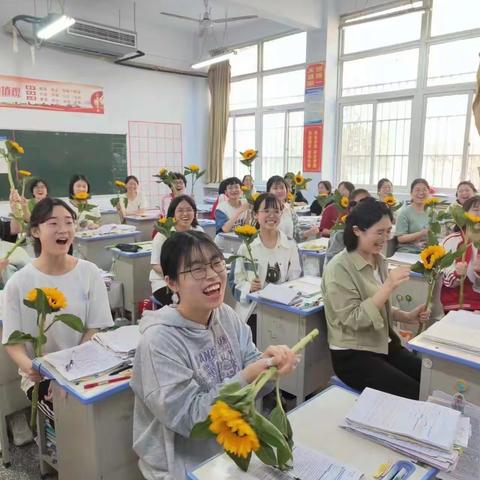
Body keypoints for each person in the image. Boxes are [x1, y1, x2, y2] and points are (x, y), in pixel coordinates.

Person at [131, 231, 298, 479]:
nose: (212, 274)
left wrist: (270, 366)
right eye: (196, 269)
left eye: (216, 262)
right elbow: (189, 420)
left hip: (231, 447)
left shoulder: (226, 315)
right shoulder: (158, 342)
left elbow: (251, 367)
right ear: (172, 282)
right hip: (182, 463)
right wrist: (249, 375)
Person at [2, 198, 113, 424]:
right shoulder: (19, 283)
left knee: (110, 411)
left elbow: (93, 329)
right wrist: (32, 369)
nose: (63, 229)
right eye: (53, 223)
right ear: (35, 231)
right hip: (41, 376)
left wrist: (68, 374)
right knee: (73, 419)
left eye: (69, 222)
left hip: (84, 366)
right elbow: (12, 343)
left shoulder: (90, 273)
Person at [321, 198, 429, 399]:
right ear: (357, 231)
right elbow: (353, 320)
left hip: (383, 343)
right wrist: (388, 286)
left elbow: (378, 305)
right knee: (414, 393)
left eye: (388, 231)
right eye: (379, 232)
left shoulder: (378, 259)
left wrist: (406, 316)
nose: (385, 238)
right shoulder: (339, 269)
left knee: (430, 381)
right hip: (353, 354)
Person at [233, 193, 302, 302]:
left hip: (282, 307)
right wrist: (249, 287)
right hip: (253, 309)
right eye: (266, 211)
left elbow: (295, 279)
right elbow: (236, 282)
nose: (271, 215)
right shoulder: (246, 246)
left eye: (276, 211)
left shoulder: (290, 244)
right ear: (255, 214)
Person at [150, 195, 204, 305]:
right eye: (180, 210)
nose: (185, 214)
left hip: (193, 280)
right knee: (184, 303)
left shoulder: (198, 231)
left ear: (194, 213)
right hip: (165, 282)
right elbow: (155, 265)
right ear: (172, 214)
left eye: (189, 210)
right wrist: (177, 276)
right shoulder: (163, 235)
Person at [442, 195, 480, 311]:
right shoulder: (452, 241)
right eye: (476, 209)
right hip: (457, 303)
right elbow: (445, 277)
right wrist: (458, 274)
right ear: (465, 215)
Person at [324, 188, 371, 266]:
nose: (363, 208)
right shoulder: (340, 234)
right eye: (358, 204)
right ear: (351, 208)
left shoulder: (372, 230)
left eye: (366, 204)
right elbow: (331, 264)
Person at [266, 175, 317, 242]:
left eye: (282, 188)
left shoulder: (290, 210)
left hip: (288, 249)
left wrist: (308, 233)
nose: (279, 191)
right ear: (268, 191)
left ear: (287, 190)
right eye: (275, 188)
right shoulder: (264, 210)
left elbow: (296, 235)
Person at [395, 178, 430, 253]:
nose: (421, 193)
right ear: (411, 193)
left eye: (424, 190)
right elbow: (400, 238)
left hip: (427, 252)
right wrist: (421, 234)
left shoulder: (432, 212)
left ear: (428, 192)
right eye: (417, 190)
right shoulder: (404, 213)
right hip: (408, 251)